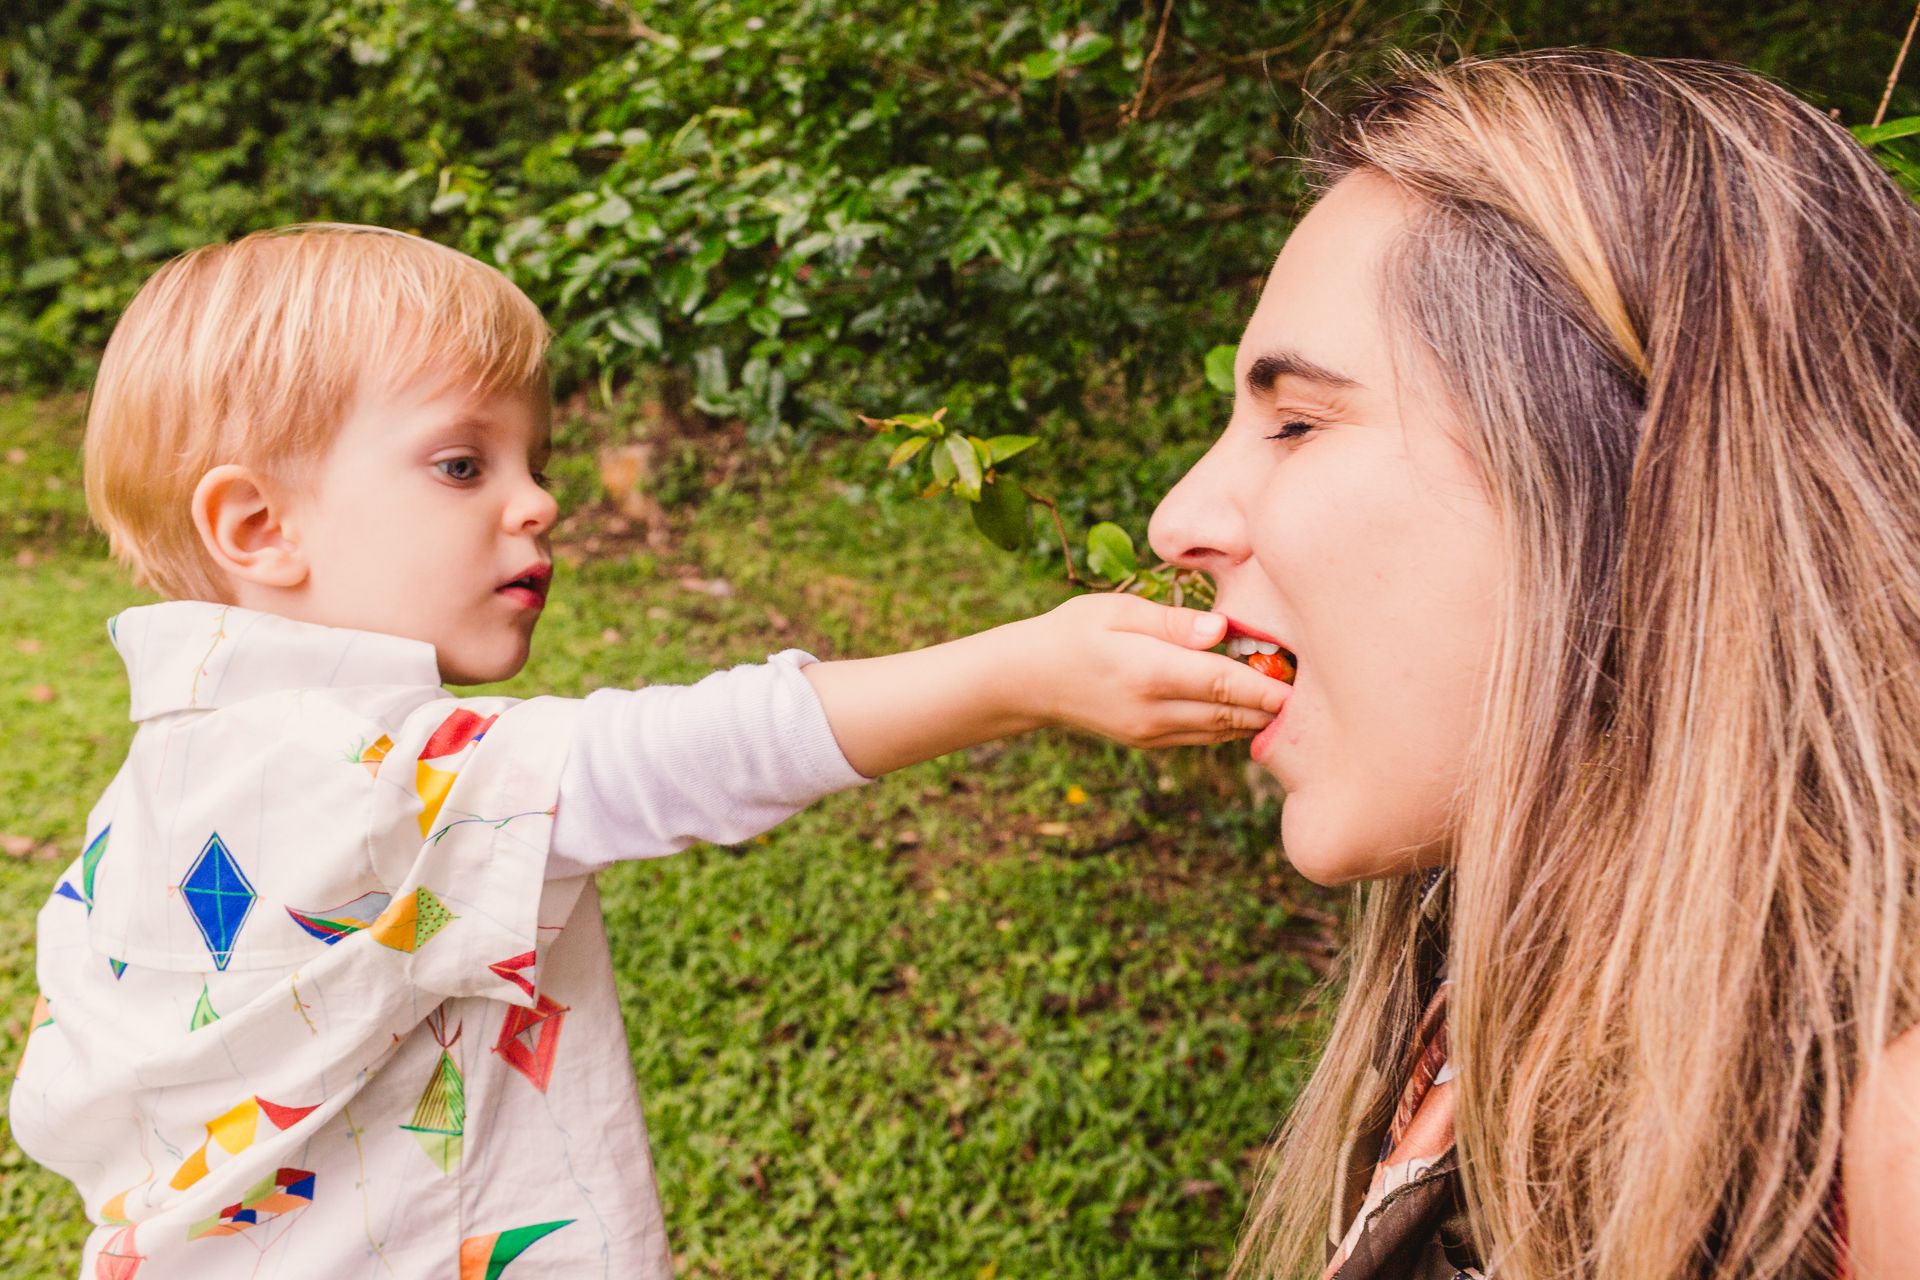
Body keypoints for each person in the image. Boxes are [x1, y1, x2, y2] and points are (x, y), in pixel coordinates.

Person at [7, 223, 1287, 1278]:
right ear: (257, 524)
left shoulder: (158, 791)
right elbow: (676, 757)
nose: (541, 498)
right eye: (463, 462)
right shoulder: (369, 777)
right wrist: (1015, 673)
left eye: (535, 457)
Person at [1148, 48, 1920, 1280]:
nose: (1176, 518)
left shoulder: (1888, 1150)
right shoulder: (1486, 1010)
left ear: (1646, 484)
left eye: (1295, 421)